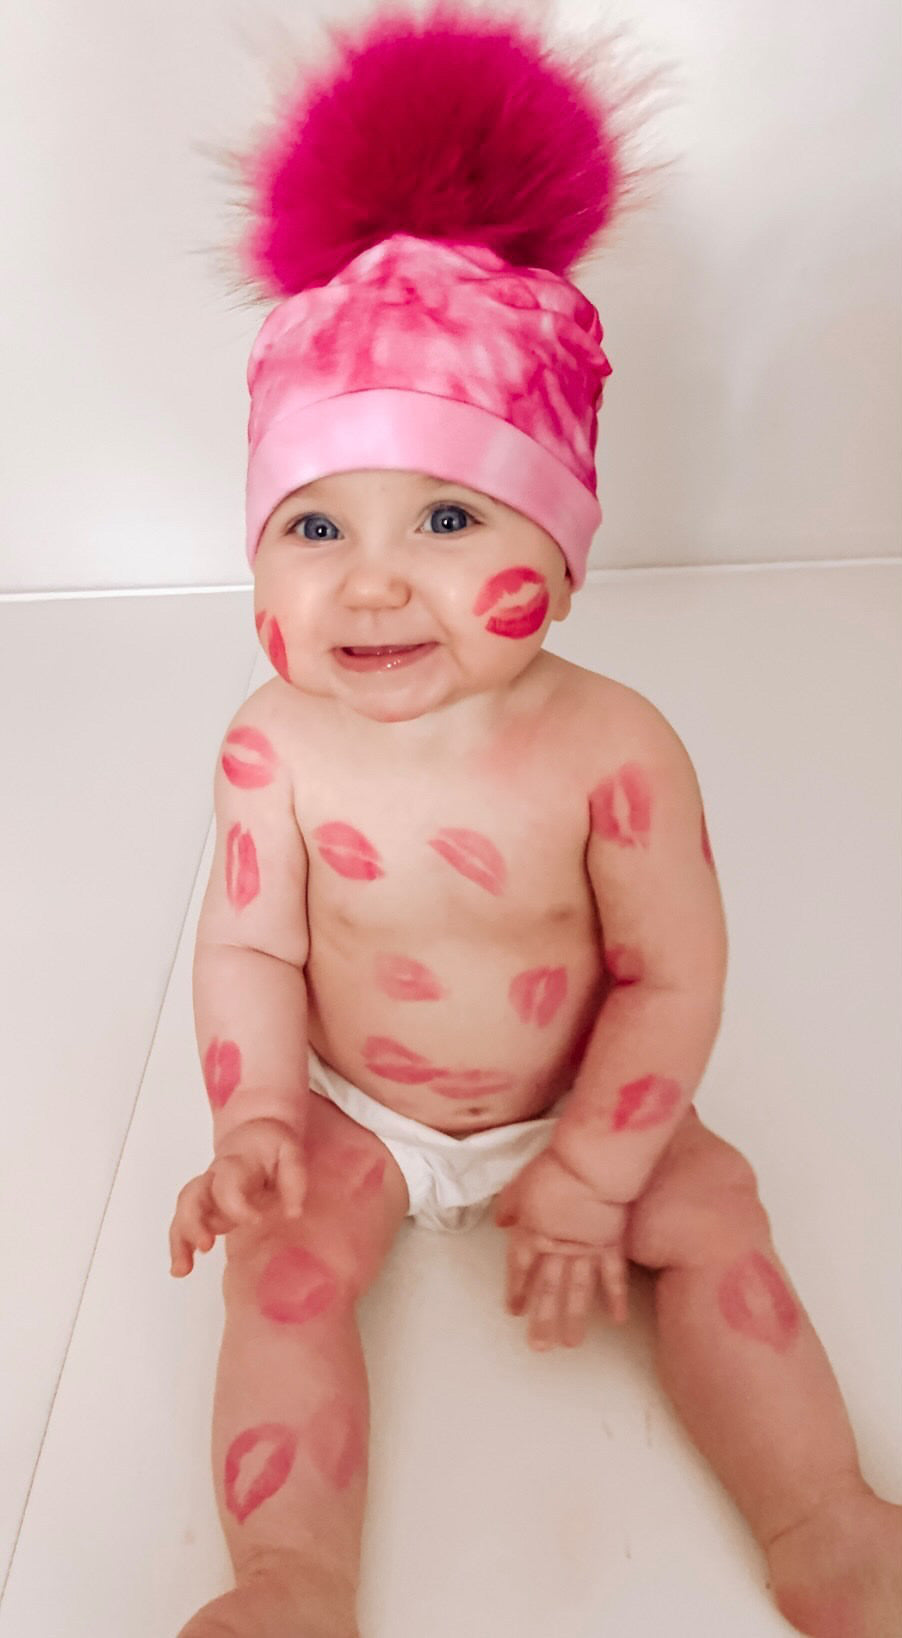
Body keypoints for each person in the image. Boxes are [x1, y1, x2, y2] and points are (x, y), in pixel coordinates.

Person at [168, 5, 902, 1634]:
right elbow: (247, 948)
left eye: (445, 513)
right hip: (367, 1104)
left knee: (711, 1217)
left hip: (579, 1088)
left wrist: (591, 1163)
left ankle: (825, 1516)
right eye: (313, 521)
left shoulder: (611, 747)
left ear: (559, 550)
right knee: (282, 1272)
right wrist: (261, 1120)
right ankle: (290, 1576)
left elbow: (670, 978)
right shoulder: (268, 747)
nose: (371, 576)